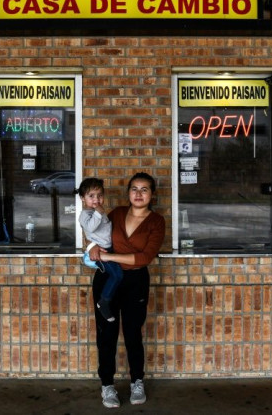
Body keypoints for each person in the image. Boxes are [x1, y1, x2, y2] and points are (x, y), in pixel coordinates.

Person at [87, 172, 166, 409]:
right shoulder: (117, 214)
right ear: (128, 192)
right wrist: (92, 247)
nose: (139, 194)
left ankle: (137, 382)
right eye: (134, 189)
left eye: (144, 189)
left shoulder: (156, 221)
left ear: (152, 194)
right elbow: (96, 233)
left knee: (133, 333)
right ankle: (107, 385)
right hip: (106, 280)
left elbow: (144, 257)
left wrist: (108, 255)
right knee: (106, 335)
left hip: (135, 282)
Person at [77, 177, 123, 322]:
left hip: (109, 250)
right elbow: (90, 228)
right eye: (91, 196)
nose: (96, 199)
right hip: (100, 253)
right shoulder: (85, 215)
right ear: (82, 198)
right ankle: (104, 301)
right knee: (117, 275)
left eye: (100, 195)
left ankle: (108, 298)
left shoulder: (100, 212)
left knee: (117, 275)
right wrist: (98, 212)